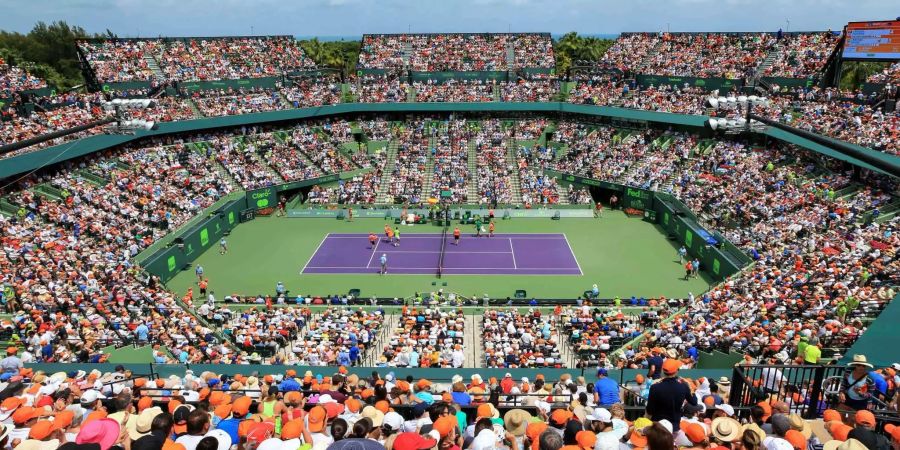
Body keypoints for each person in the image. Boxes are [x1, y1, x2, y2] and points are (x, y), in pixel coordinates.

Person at [646, 359, 696, 432]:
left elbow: (650, 410)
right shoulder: (684, 386)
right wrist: (689, 385)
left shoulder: (655, 387)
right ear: (676, 371)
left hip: (657, 426)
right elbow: (694, 402)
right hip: (674, 427)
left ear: (663, 371)